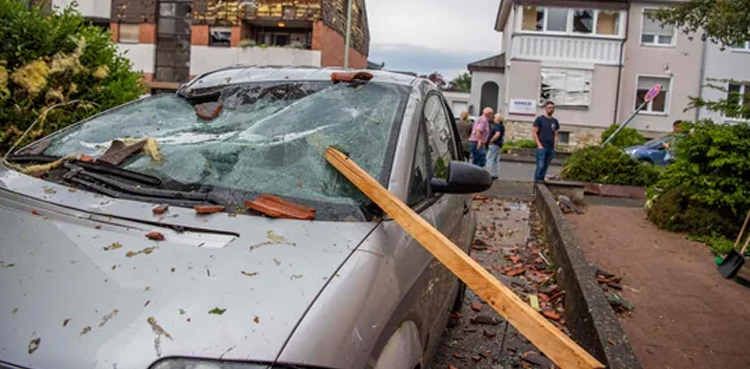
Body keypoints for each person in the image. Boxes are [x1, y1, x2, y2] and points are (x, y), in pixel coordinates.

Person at [532, 101, 559, 183]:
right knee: (540, 166)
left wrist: (555, 147)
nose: (551, 110)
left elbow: (555, 135)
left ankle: (541, 183)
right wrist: (539, 145)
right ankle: (536, 184)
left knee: (545, 167)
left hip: (550, 148)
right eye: (549, 108)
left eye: (553, 108)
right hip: (542, 148)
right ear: (546, 109)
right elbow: (534, 133)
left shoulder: (555, 121)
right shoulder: (540, 119)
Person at [487, 113, 505, 180]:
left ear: (497, 119)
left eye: (495, 117)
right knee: (495, 160)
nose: (493, 119)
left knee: (490, 159)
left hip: (494, 144)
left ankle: (488, 173)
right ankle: (495, 174)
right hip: (499, 145)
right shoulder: (502, 126)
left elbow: (497, 134)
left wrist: (491, 140)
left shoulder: (497, 126)